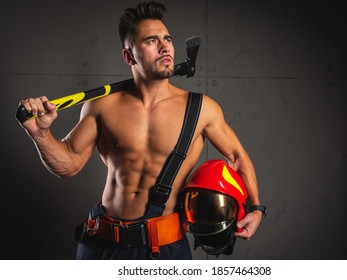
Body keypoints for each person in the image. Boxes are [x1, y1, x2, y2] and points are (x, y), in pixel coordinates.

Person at [17, 1, 264, 260]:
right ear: (129, 56)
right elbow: (68, 166)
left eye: (167, 39)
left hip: (165, 248)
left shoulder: (202, 109)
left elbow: (237, 157)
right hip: (103, 245)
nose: (164, 45)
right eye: (151, 40)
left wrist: (256, 209)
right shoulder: (102, 106)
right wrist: (40, 133)